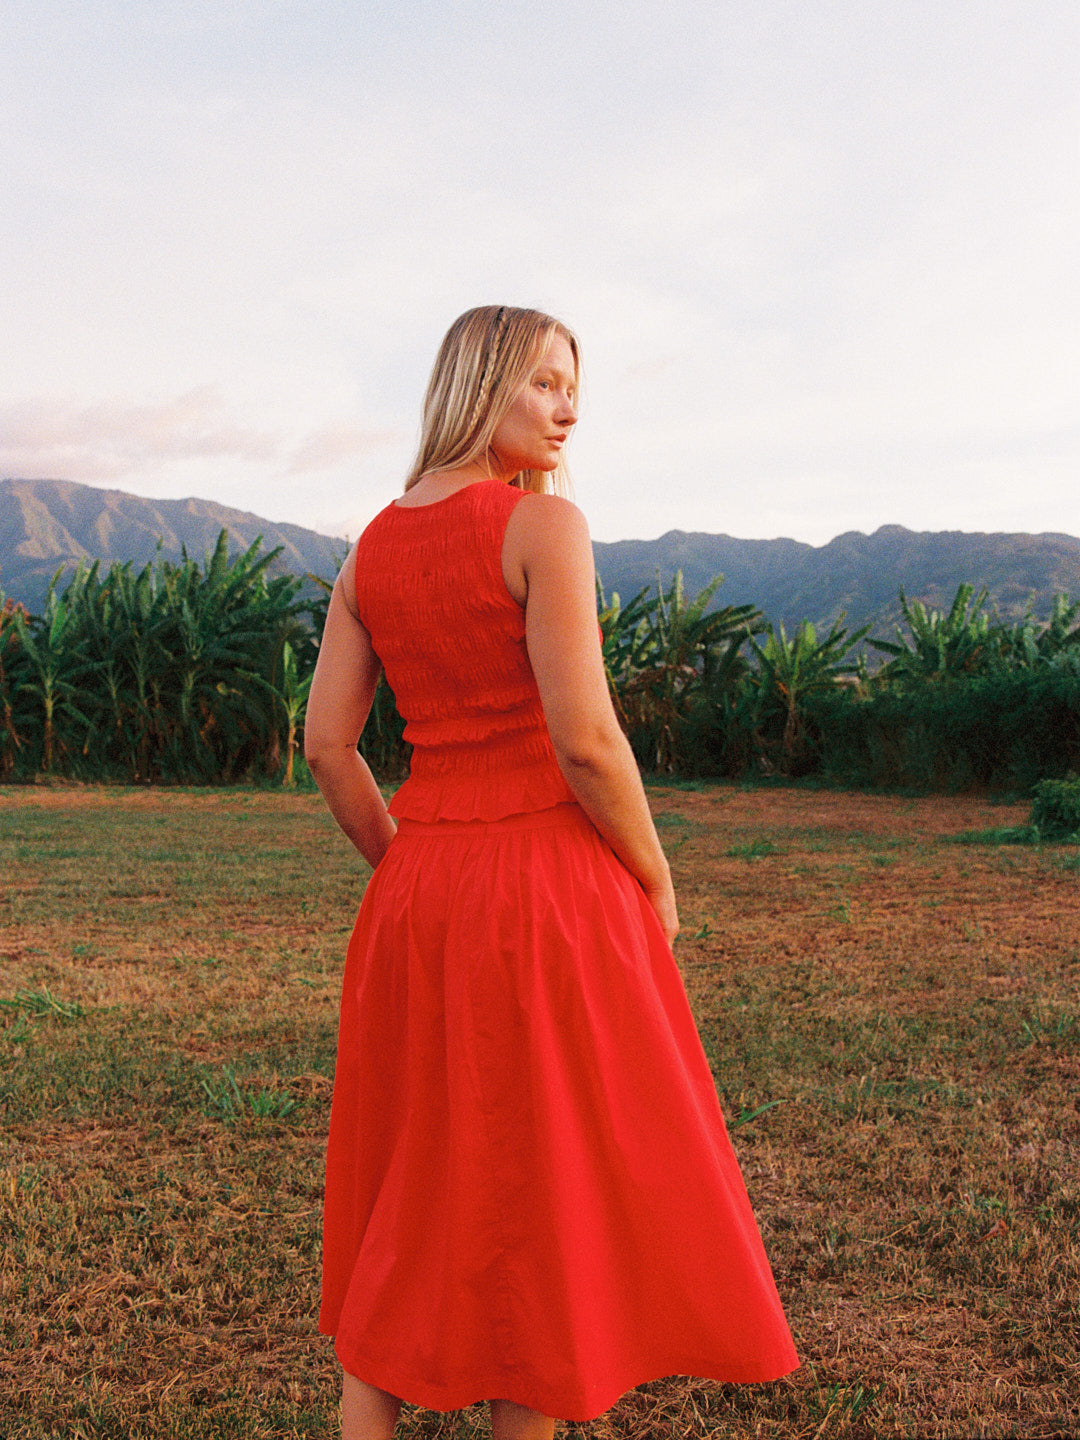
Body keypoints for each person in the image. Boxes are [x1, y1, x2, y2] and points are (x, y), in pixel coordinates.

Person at [304, 305, 798, 1440]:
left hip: (419, 891)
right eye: (541, 382)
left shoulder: (369, 549)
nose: (567, 408)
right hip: (546, 892)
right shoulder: (544, 530)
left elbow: (328, 745)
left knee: (413, 1179)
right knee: (546, 1182)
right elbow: (587, 741)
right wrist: (656, 877)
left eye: (574, 386)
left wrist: (406, 859)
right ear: (479, 389)